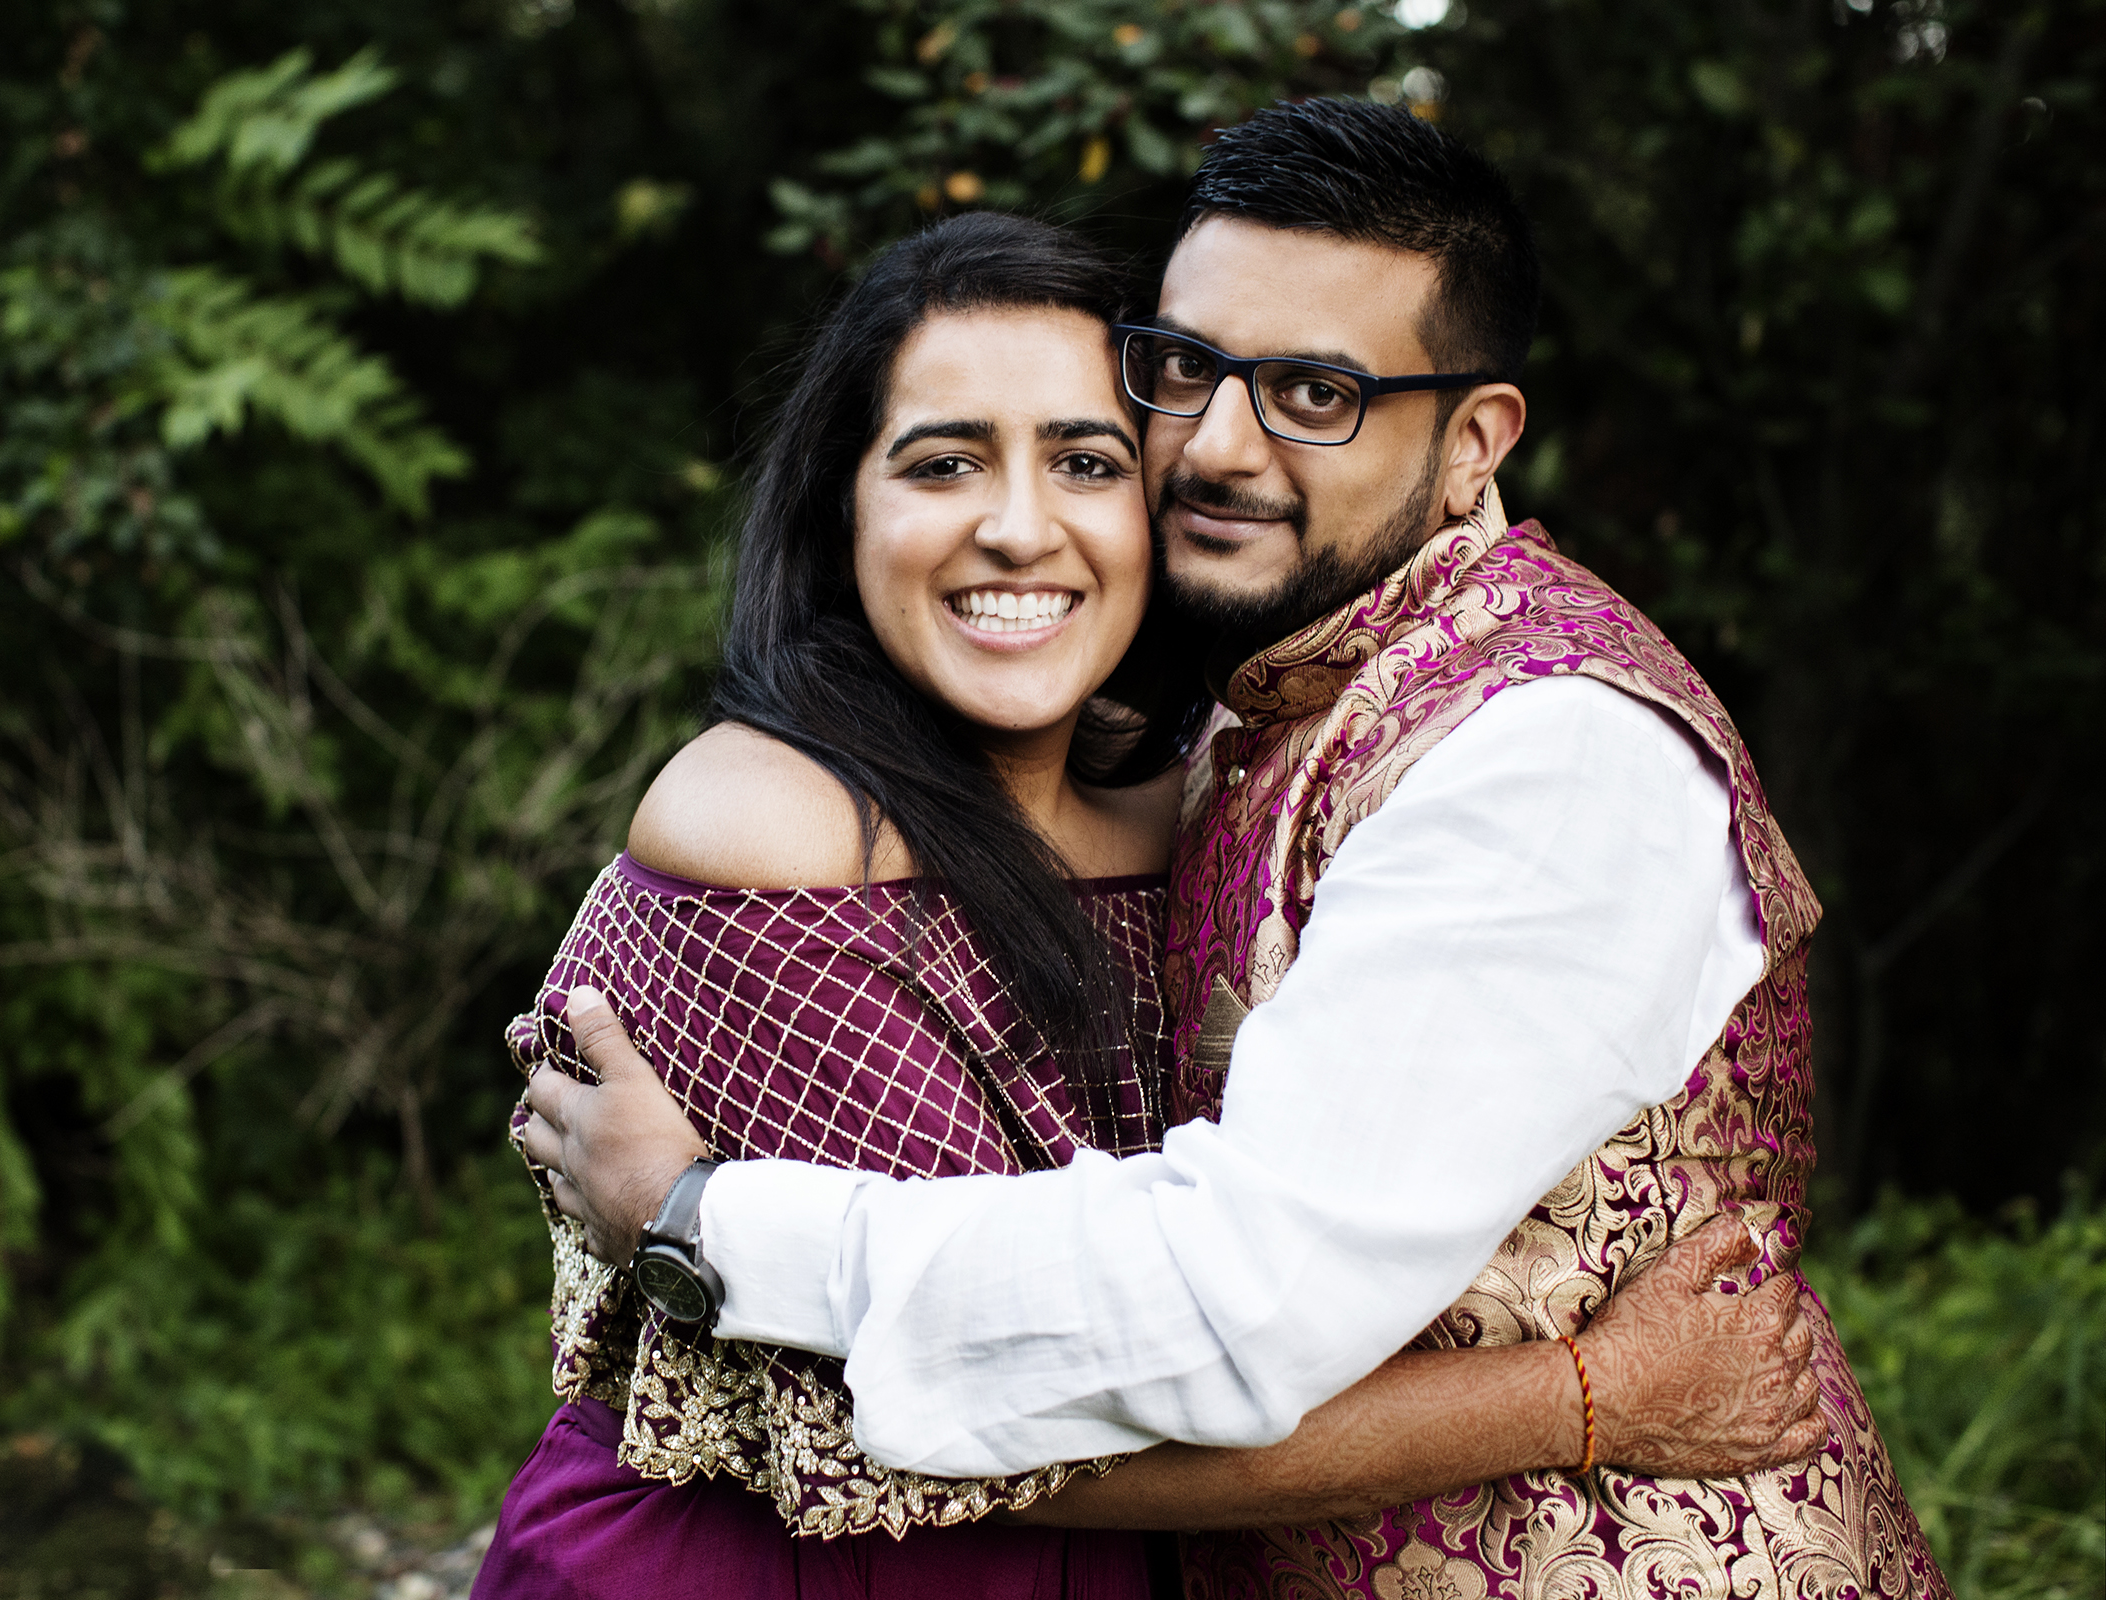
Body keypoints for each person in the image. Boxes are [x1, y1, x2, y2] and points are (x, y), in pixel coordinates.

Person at [524, 103, 1950, 1599]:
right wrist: (1592, 1391)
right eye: (1186, 369)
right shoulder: (1218, 724)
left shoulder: (1551, 759)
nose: (1213, 444)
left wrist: (704, 1218)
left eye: (1315, 392)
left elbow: (1238, 1297)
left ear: (1474, 442)